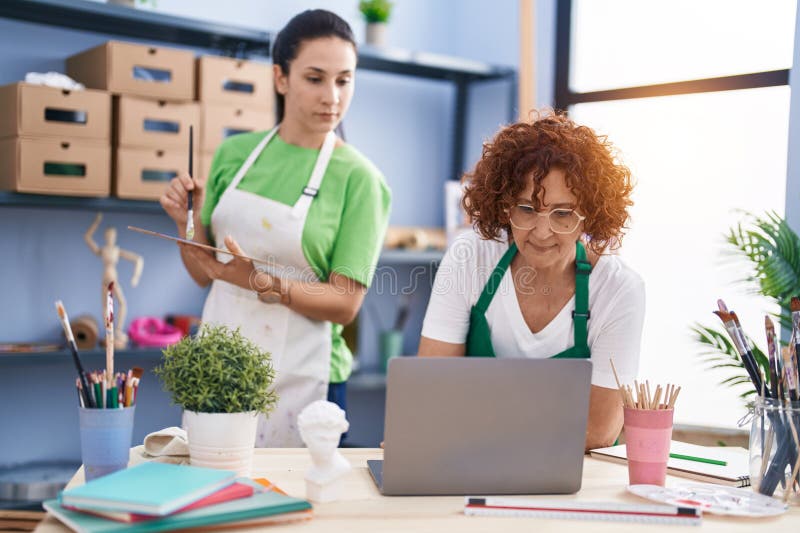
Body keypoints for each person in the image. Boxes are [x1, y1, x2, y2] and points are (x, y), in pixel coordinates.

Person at [160, 9, 391, 447]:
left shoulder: (360, 179)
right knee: (213, 497)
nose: (332, 97)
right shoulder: (235, 154)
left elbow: (344, 304)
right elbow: (205, 272)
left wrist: (265, 283)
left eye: (344, 80)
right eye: (315, 78)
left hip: (307, 376)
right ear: (281, 79)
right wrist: (184, 221)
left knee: (297, 506)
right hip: (219, 367)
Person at [418, 111, 644, 450]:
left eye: (563, 214)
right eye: (525, 208)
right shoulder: (471, 257)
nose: (541, 232)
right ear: (503, 206)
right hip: (465, 461)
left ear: (591, 214)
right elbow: (431, 392)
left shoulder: (618, 289)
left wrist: (473, 424)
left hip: (570, 476)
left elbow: (598, 430)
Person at [84, 213, 143, 348]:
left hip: (112, 279)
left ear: (115, 237)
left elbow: (138, 259)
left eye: (112, 235)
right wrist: (96, 222)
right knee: (107, 306)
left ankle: (117, 330)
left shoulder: (117, 250)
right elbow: (87, 237)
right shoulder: (102, 250)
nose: (110, 237)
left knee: (121, 303)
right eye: (108, 235)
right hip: (106, 280)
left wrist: (136, 276)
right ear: (105, 237)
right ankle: (110, 331)